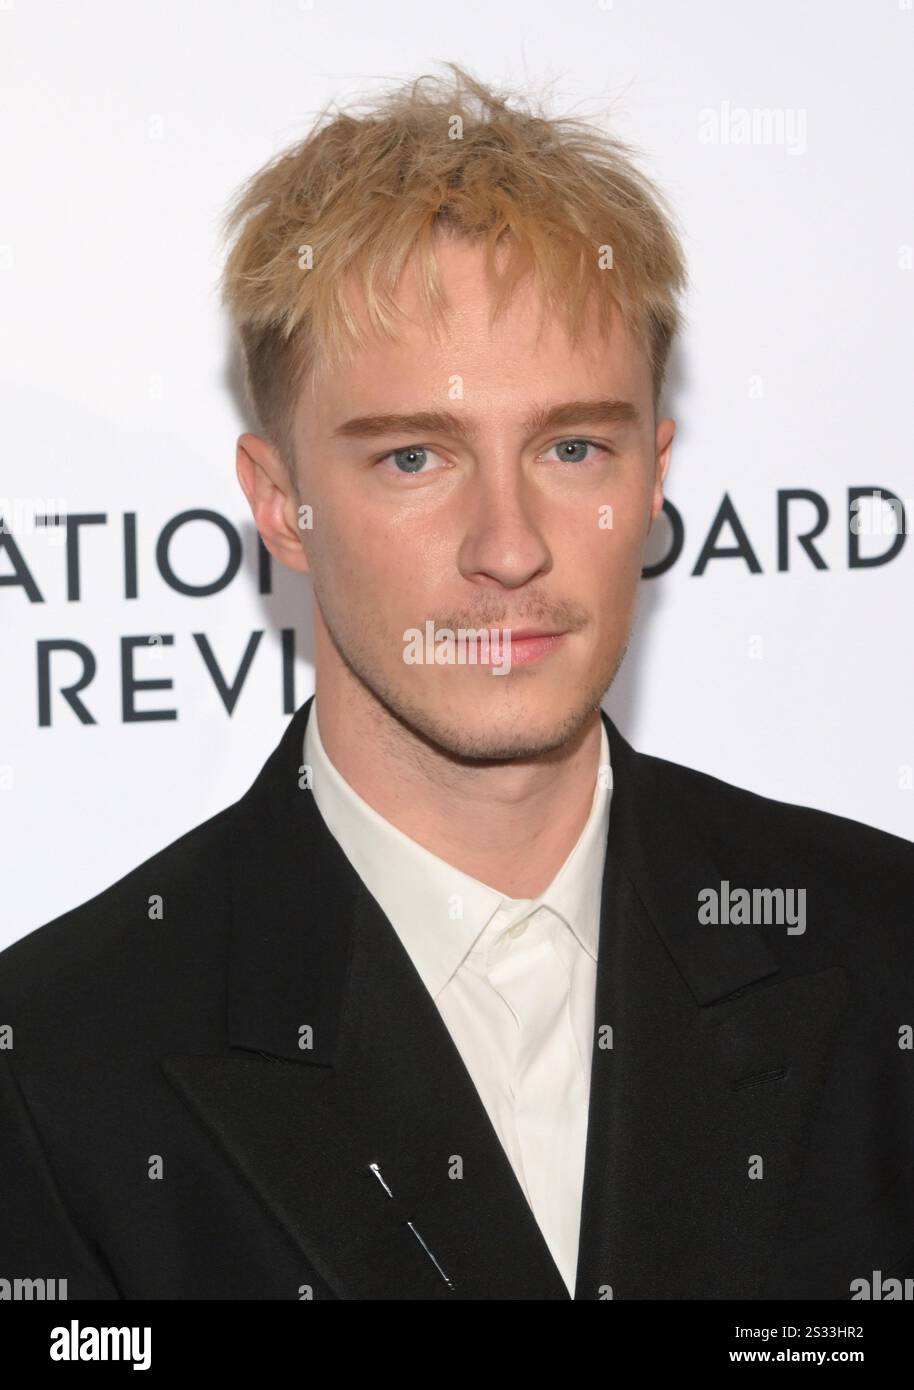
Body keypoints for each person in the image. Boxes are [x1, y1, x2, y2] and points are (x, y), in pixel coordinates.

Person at [1, 63, 912, 1302]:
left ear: (653, 473)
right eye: (416, 457)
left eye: (571, 446)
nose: (508, 544)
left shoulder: (878, 945)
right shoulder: (56, 1063)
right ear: (281, 503)